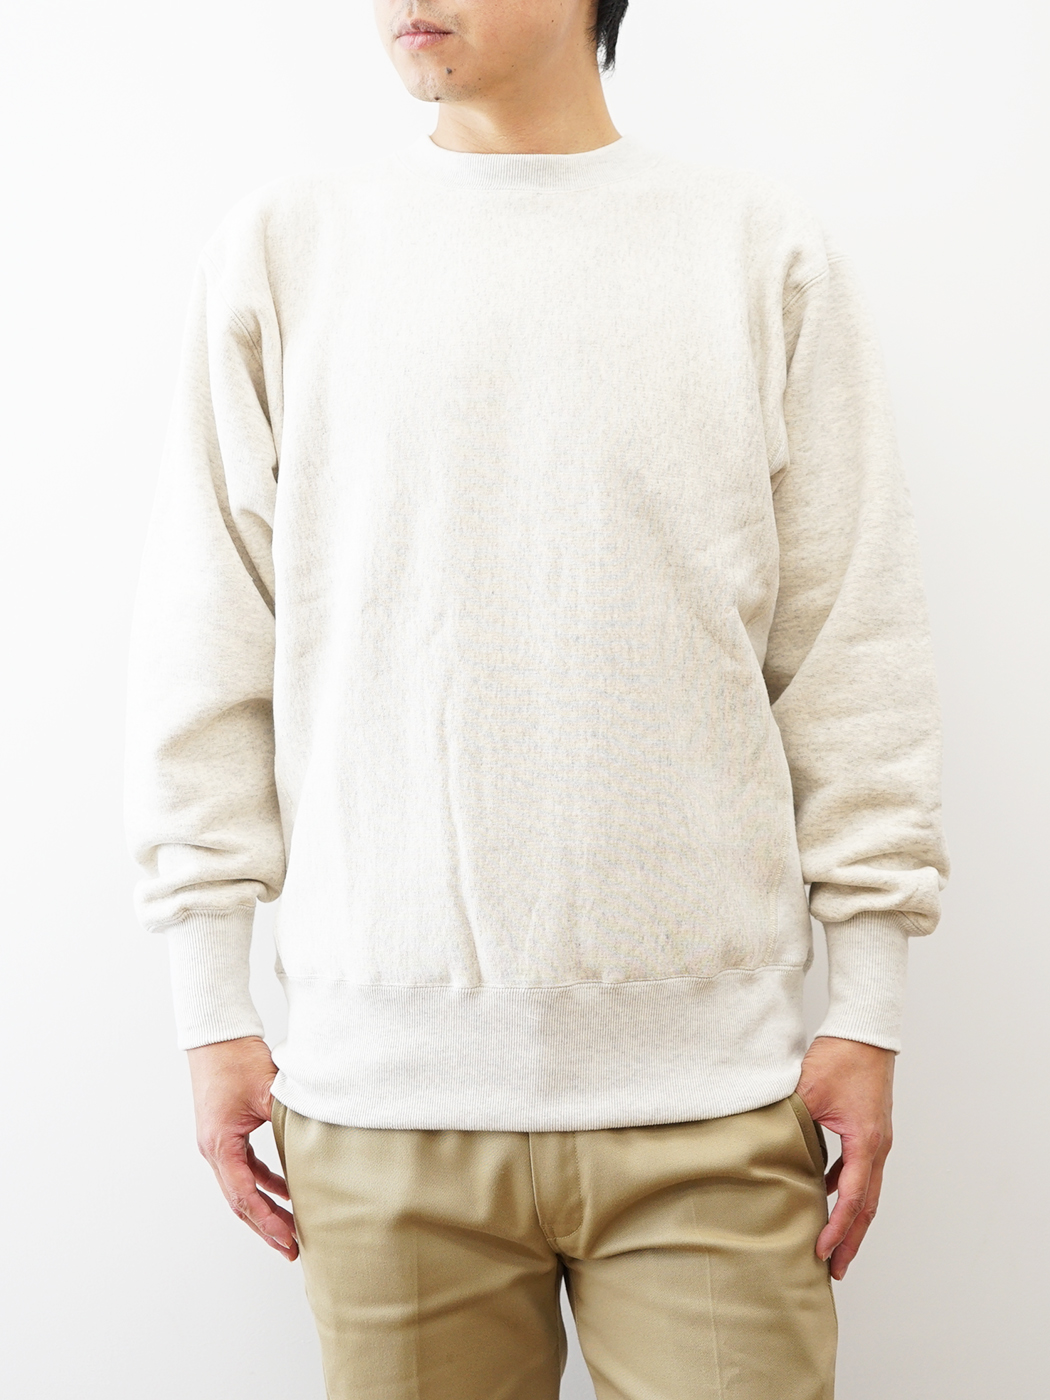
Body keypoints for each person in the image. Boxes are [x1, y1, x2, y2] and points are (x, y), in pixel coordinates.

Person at [124, 2, 950, 1396]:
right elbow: (206, 645)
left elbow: (851, 653)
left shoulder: (758, 253)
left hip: (711, 1102)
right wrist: (209, 1002)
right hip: (381, 1109)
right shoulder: (287, 251)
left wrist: (866, 1004)